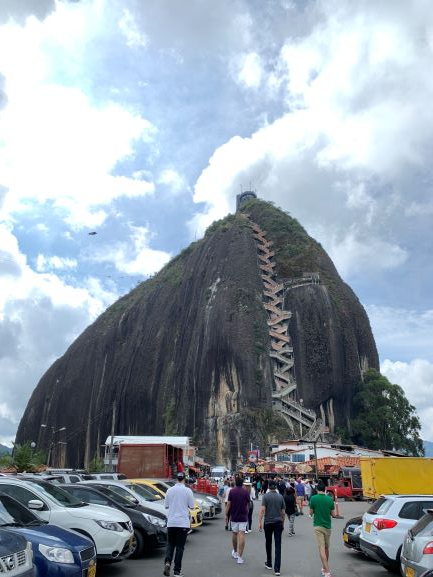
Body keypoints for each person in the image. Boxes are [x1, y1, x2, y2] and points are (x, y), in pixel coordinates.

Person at [163, 471, 195, 577]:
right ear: (184, 479)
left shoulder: (169, 490)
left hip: (171, 522)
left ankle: (167, 562)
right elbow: (192, 506)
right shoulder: (188, 491)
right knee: (180, 547)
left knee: (170, 544)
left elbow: (166, 506)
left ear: (177, 479)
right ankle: (177, 571)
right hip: (183, 523)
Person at [309, 481, 337, 577]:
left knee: (321, 548)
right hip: (328, 527)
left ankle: (327, 571)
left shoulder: (313, 498)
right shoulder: (330, 499)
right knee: (326, 548)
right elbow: (334, 515)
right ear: (325, 489)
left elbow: (311, 513)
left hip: (318, 526)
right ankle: (324, 568)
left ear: (317, 489)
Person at [259, 480, 285, 576]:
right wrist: (283, 523)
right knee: (278, 545)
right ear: (276, 487)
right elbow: (283, 512)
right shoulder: (280, 497)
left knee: (268, 542)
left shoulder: (265, 496)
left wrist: (260, 522)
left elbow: (262, 510)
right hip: (278, 522)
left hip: (268, 522)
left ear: (269, 487)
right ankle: (277, 569)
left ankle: (269, 563)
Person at [226, 476, 251, 564]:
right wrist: (247, 511)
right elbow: (248, 504)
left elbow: (229, 504)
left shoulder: (232, 491)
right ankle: (240, 558)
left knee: (234, 533)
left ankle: (235, 552)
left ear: (236, 483)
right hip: (243, 516)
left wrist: (226, 514)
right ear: (243, 483)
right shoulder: (245, 492)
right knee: (242, 534)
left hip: (234, 515)